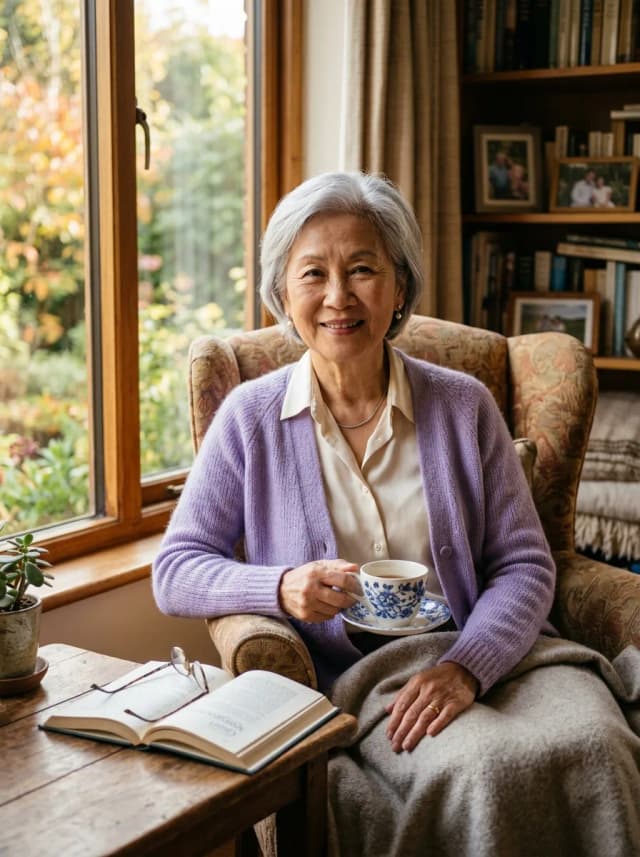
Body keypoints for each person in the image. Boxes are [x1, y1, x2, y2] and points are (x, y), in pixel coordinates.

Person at [153, 172, 640, 856]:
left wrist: (470, 666)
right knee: (490, 771)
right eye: (313, 273)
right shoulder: (251, 418)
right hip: (373, 684)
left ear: (400, 285)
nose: (337, 297)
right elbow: (175, 569)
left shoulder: (463, 405)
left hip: (501, 654)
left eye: (362, 270)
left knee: (598, 743)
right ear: (282, 293)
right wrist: (281, 585)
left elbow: (526, 562)